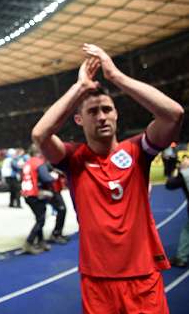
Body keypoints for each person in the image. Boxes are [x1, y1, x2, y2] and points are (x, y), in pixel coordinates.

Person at [32, 43, 184, 313]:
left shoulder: (138, 150)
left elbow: (174, 114)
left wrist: (115, 76)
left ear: (116, 114)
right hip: (97, 280)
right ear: (79, 120)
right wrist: (81, 86)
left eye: (106, 109)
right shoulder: (73, 159)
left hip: (143, 276)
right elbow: (40, 135)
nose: (101, 116)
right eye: (92, 112)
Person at [20, 149, 55, 254]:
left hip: (27, 194)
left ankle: (41, 241)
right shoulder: (39, 162)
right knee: (41, 220)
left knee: (39, 218)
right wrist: (54, 177)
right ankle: (29, 243)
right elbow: (47, 178)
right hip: (34, 194)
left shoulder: (27, 163)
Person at [165, 155, 189, 268]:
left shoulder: (185, 174)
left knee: (187, 232)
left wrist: (176, 170)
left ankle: (181, 258)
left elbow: (170, 185)